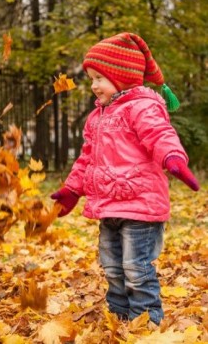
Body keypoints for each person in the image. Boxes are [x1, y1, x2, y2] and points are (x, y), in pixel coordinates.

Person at [50, 33, 199, 326]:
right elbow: (87, 158)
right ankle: (118, 319)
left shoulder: (142, 107)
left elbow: (160, 135)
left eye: (99, 78)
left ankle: (146, 322)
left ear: (122, 76)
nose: (93, 85)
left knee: (136, 268)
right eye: (91, 78)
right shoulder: (98, 117)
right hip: (109, 206)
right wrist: (72, 189)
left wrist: (173, 159)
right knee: (112, 268)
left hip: (140, 207)